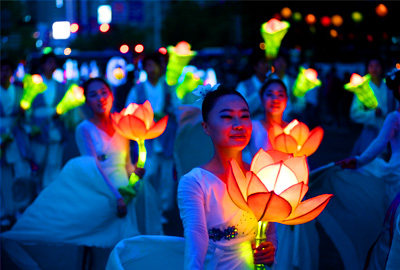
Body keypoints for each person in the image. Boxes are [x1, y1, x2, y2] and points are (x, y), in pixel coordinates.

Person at [1, 77, 162, 269]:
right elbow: (92, 167)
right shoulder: (84, 129)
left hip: (125, 190)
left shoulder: (123, 122)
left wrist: (135, 173)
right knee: (103, 249)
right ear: (86, 101)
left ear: (111, 96)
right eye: (93, 95)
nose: (100, 98)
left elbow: (126, 164)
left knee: (126, 246)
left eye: (104, 93)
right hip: (101, 191)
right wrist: (117, 197)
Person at [177, 85, 277, 269]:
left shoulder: (262, 175)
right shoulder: (195, 182)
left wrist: (269, 251)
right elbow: (195, 236)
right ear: (206, 127)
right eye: (227, 117)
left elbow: (269, 232)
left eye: (245, 116)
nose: (238, 124)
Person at [246, 78, 320, 270]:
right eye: (269, 94)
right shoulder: (252, 128)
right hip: (259, 201)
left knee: (285, 254)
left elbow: (304, 166)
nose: (275, 99)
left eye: (280, 94)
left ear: (287, 99)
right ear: (261, 98)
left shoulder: (296, 130)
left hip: (287, 202)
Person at [336, 68, 400, 270]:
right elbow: (380, 143)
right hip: (397, 175)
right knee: (393, 226)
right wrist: (360, 160)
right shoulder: (395, 117)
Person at [125, 52, 180, 225]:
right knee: (148, 174)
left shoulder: (169, 88)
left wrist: (167, 113)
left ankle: (162, 209)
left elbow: (178, 109)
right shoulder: (138, 89)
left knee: (166, 178)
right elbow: (129, 110)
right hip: (146, 139)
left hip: (166, 137)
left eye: (154, 65)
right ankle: (147, 206)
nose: (152, 69)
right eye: (148, 65)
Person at [0, 58, 37, 230]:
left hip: (17, 137)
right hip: (2, 139)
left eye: (6, 70)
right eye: (1, 70)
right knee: (3, 179)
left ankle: (20, 208)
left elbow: (27, 115)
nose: (4, 74)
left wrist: (24, 113)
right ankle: (5, 212)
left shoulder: (19, 91)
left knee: (22, 174)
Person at [28, 52, 69, 189]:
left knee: (54, 163)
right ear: (43, 65)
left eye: (54, 63)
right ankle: (37, 191)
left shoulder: (61, 86)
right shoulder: (34, 84)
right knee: (38, 161)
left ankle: (50, 191)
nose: (52, 65)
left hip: (56, 129)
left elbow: (66, 108)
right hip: (39, 130)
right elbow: (27, 109)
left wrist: (60, 115)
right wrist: (30, 127)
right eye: (49, 62)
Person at [349, 57, 398, 157]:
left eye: (377, 66)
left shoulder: (388, 86)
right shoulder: (362, 87)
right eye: (371, 66)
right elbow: (354, 113)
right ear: (367, 68)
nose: (374, 69)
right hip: (370, 133)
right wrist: (372, 114)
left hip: (389, 131)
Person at [236, 48, 269, 120]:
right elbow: (240, 109)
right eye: (263, 62)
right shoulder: (243, 86)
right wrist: (259, 94)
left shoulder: (271, 84)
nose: (267, 66)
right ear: (255, 66)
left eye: (267, 62)